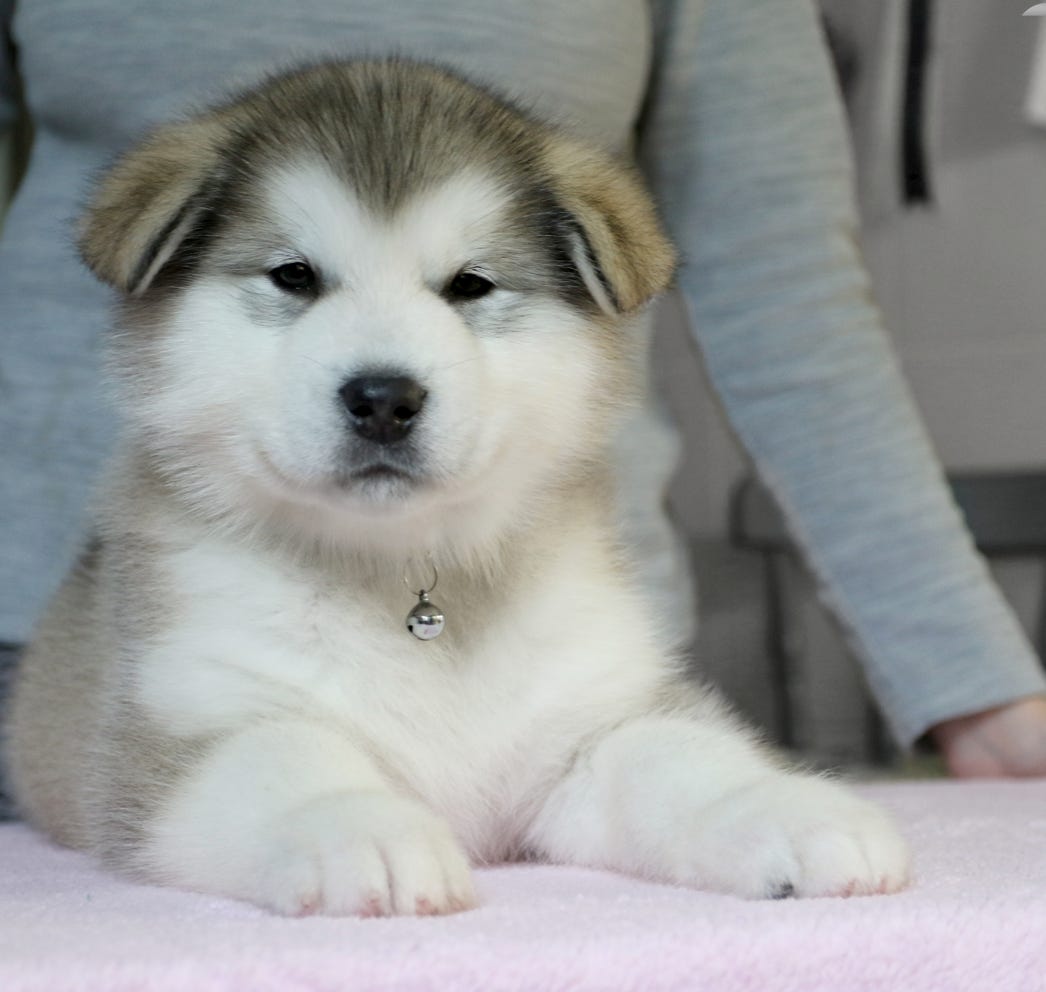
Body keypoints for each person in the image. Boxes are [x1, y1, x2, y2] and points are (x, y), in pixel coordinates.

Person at [0, 0, 1044, 784]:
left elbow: (786, 287)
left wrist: (971, 679)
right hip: (91, 627)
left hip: (533, 630)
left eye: (464, 287)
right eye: (296, 278)